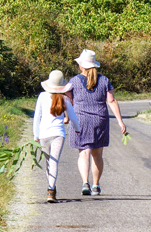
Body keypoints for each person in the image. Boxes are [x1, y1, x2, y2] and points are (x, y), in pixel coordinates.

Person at [69, 49, 127, 196]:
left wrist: (66, 117)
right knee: (97, 154)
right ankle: (96, 185)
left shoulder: (74, 81)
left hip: (80, 120)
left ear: (81, 66)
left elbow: (68, 101)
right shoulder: (104, 80)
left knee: (84, 153)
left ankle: (85, 183)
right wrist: (121, 122)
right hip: (99, 120)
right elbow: (112, 101)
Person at [33, 70, 80, 203]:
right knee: (54, 162)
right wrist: (77, 129)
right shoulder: (64, 99)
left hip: (44, 135)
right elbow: (73, 117)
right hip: (58, 134)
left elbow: (37, 117)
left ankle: (50, 189)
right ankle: (51, 189)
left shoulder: (42, 96)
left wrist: (36, 135)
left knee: (49, 162)